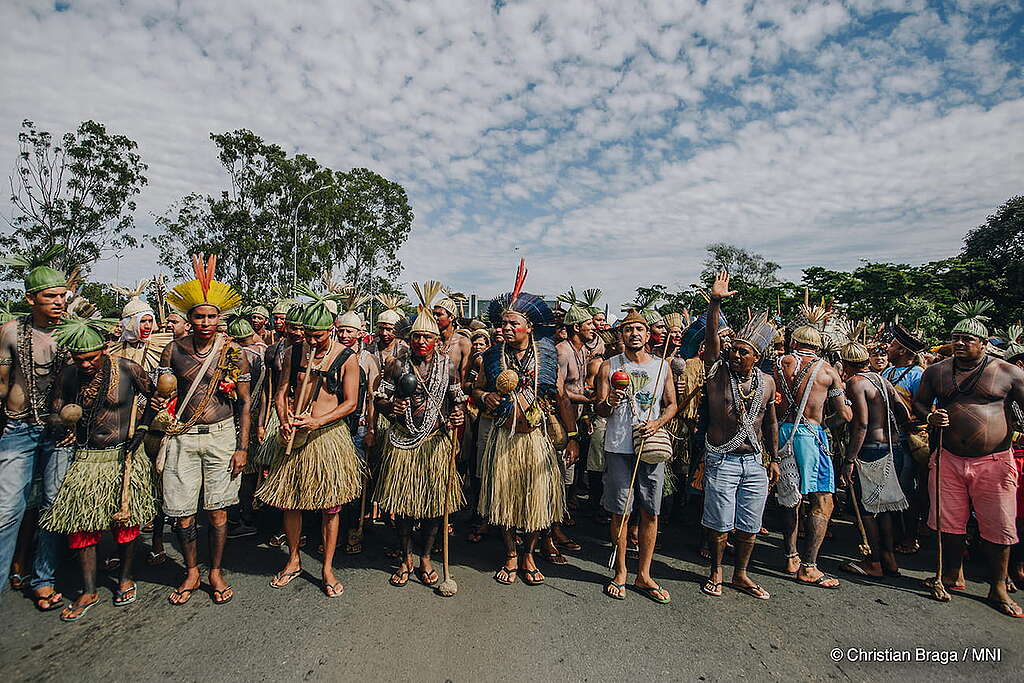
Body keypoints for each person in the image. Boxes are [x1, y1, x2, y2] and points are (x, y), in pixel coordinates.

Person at [913, 301, 1024, 618]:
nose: (959, 343)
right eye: (956, 338)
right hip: (948, 457)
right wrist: (931, 417)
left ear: (984, 344)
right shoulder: (937, 371)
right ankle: (950, 574)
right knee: (948, 522)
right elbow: (920, 406)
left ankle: (998, 587)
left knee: (999, 525)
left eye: (968, 339)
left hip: (993, 461)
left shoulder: (1008, 373)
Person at [42, 316, 157, 621]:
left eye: (91, 358)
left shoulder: (127, 369)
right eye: (79, 359)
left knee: (126, 522)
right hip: (85, 458)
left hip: (123, 457)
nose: (86, 365)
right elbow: (52, 413)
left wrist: (143, 428)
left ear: (104, 349)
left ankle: (125, 577)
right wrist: (62, 423)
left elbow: (155, 396)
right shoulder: (67, 376)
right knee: (82, 527)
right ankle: (89, 589)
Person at [472, 261, 579, 586]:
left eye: (512, 323)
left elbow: (561, 397)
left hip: (536, 438)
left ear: (529, 327)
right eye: (502, 323)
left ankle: (530, 553)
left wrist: (572, 436)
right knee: (504, 498)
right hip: (504, 437)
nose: (504, 328)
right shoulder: (492, 355)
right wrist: (483, 397)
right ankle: (510, 554)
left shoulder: (547, 353)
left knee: (536, 499)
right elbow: (476, 386)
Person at [256, 287, 364, 598]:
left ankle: (327, 567)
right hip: (295, 435)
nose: (313, 342)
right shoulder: (294, 352)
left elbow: (351, 403)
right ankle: (293, 559)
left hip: (328, 437)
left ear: (330, 329)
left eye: (318, 336)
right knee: (291, 500)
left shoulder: (347, 358)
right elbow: (281, 391)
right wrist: (285, 417)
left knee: (331, 507)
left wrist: (318, 420)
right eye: (308, 335)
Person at [156, 256, 251, 606]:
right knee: (182, 512)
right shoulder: (173, 351)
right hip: (183, 436)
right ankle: (192, 570)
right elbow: (161, 392)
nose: (206, 322)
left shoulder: (233, 353)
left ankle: (215, 570)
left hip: (221, 436)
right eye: (199, 316)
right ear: (189, 318)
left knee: (218, 510)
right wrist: (158, 411)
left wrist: (242, 448)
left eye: (212, 316)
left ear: (219, 318)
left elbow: (243, 403)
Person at [374, 282, 464, 587]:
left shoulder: (448, 366)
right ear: (409, 339)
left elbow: (458, 398)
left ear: (437, 339)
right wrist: (392, 408)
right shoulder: (397, 365)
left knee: (433, 506)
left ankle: (425, 558)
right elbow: (379, 398)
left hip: (435, 444)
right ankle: (406, 557)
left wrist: (458, 415)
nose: (421, 341)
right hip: (403, 443)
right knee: (405, 506)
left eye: (427, 336)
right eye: (416, 336)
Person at [697, 272, 779, 600]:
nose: (736, 355)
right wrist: (715, 302)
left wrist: (773, 459)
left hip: (754, 461)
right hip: (722, 458)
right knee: (719, 522)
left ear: (756, 357)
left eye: (744, 352)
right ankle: (716, 571)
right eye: (735, 350)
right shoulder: (717, 373)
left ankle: (740, 574)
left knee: (749, 522)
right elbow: (714, 339)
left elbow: (769, 423)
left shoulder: (767, 382)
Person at [0, 246, 70, 610]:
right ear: (30, 298)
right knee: (7, 509)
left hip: (60, 433)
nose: (59, 302)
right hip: (17, 429)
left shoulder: (75, 334)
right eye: (50, 296)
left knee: (52, 505)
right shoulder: (11, 331)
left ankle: (44, 579)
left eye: (62, 295)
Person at [593, 308, 678, 603]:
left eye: (639, 329)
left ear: (647, 334)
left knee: (650, 511)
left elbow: (671, 404)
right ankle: (620, 571)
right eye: (628, 330)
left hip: (651, 447)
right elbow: (599, 408)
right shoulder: (609, 366)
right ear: (621, 335)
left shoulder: (662, 366)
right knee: (621, 510)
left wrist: (657, 423)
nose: (634, 334)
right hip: (619, 446)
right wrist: (610, 402)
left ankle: (644, 574)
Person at [774, 304, 852, 589]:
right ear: (818, 348)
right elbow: (844, 414)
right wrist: (822, 424)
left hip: (780, 434)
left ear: (794, 342)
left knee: (788, 498)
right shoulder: (828, 371)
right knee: (822, 499)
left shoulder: (778, 364)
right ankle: (809, 566)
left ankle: (791, 555)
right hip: (810, 435)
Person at [107, 280, 175, 566]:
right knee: (118, 486)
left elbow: (167, 385)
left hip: (155, 426)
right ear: (129, 323)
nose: (147, 326)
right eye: (142, 321)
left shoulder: (161, 348)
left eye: (150, 320)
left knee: (156, 484)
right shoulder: (111, 354)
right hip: (120, 427)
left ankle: (157, 541)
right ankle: (118, 547)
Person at [837, 336, 912, 579]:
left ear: (846, 364)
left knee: (869, 509)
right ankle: (888, 558)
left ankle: (874, 561)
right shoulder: (882, 380)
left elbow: (861, 424)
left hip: (870, 450)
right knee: (884, 508)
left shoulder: (856, 383)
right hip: (892, 447)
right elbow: (903, 412)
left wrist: (849, 460)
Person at [335, 296, 380, 554]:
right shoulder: (331, 354)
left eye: (349, 330)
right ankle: (335, 531)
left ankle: (354, 529)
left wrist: (371, 429)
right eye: (340, 330)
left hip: (359, 426)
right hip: (334, 426)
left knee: (356, 482)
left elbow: (373, 398)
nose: (343, 334)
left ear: (360, 333)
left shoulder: (368, 360)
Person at [882, 324, 929, 554]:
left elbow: (925, 409)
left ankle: (910, 537)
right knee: (890, 490)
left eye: (892, 345)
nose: (887, 349)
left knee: (906, 490)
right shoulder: (886, 373)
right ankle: (894, 535)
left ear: (902, 351)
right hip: (887, 440)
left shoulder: (918, 375)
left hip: (906, 441)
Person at [224, 313, 267, 540]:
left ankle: (241, 517)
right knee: (249, 470)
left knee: (242, 470)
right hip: (257, 414)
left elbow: (236, 393)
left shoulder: (241, 356)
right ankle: (247, 514)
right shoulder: (264, 348)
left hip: (241, 416)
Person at [433, 293, 472, 385]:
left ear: (451, 317)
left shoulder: (463, 343)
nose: (435, 318)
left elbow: (464, 377)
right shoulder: (430, 340)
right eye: (434, 314)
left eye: (439, 315)